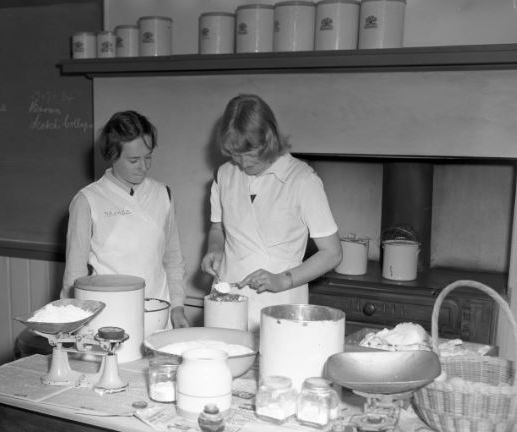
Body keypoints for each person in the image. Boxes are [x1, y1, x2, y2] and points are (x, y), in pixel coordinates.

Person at [200, 94, 342, 332]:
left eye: (249, 153)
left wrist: (282, 280)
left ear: (268, 139)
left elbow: (332, 253)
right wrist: (214, 249)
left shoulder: (302, 180)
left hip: (281, 304)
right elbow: (218, 228)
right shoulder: (224, 175)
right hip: (226, 301)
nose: (243, 163)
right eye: (235, 154)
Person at [61, 110, 189, 328]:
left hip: (158, 317)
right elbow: (75, 274)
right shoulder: (88, 201)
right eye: (133, 160)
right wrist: (71, 325)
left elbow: (173, 259)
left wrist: (177, 307)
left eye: (148, 157)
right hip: (108, 321)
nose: (144, 167)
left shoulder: (162, 194)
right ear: (113, 155)